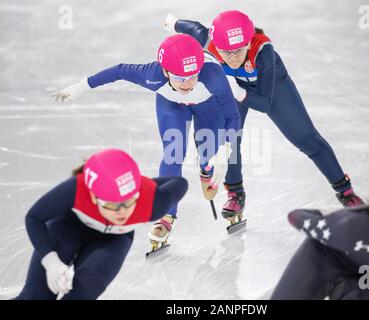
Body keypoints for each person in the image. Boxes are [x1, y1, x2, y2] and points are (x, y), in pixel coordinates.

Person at [164, 10, 364, 222]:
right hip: (235, 89)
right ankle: (235, 193)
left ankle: (345, 191)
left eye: (238, 51)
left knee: (306, 138)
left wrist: (237, 91)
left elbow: (264, 103)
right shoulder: (210, 43)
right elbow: (193, 28)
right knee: (228, 139)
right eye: (226, 52)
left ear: (248, 43)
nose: (232, 58)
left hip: (271, 89)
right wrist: (173, 22)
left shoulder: (263, 50)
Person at [54, 34, 241, 249]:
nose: (188, 83)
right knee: (173, 152)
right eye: (180, 78)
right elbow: (119, 71)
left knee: (210, 154)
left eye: (193, 76)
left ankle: (206, 169)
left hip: (207, 103)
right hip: (172, 105)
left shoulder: (213, 77)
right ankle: (166, 216)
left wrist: (225, 149)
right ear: (164, 71)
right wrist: (82, 86)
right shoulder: (151, 75)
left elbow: (233, 117)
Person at [14, 148, 188, 300]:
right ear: (92, 196)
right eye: (111, 205)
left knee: (86, 288)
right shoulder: (75, 189)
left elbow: (181, 183)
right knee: (36, 296)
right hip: (69, 227)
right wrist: (49, 260)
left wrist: (140, 183)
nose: (122, 212)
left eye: (129, 201)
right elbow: (34, 218)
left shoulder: (152, 202)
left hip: (113, 240)